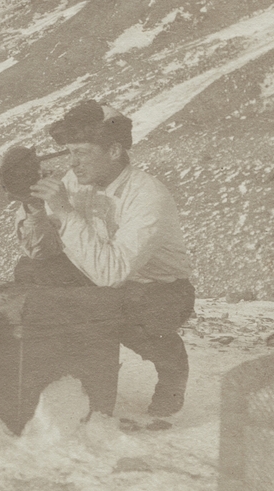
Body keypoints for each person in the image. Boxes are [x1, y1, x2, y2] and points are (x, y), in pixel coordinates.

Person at [12, 99, 196, 417]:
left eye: (82, 153)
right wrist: (34, 208)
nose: (73, 163)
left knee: (126, 311)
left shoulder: (148, 195)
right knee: (31, 272)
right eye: (70, 153)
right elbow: (38, 252)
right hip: (101, 279)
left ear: (113, 151)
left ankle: (172, 367)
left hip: (158, 289)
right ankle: (73, 372)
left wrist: (65, 212)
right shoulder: (76, 182)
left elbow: (112, 273)